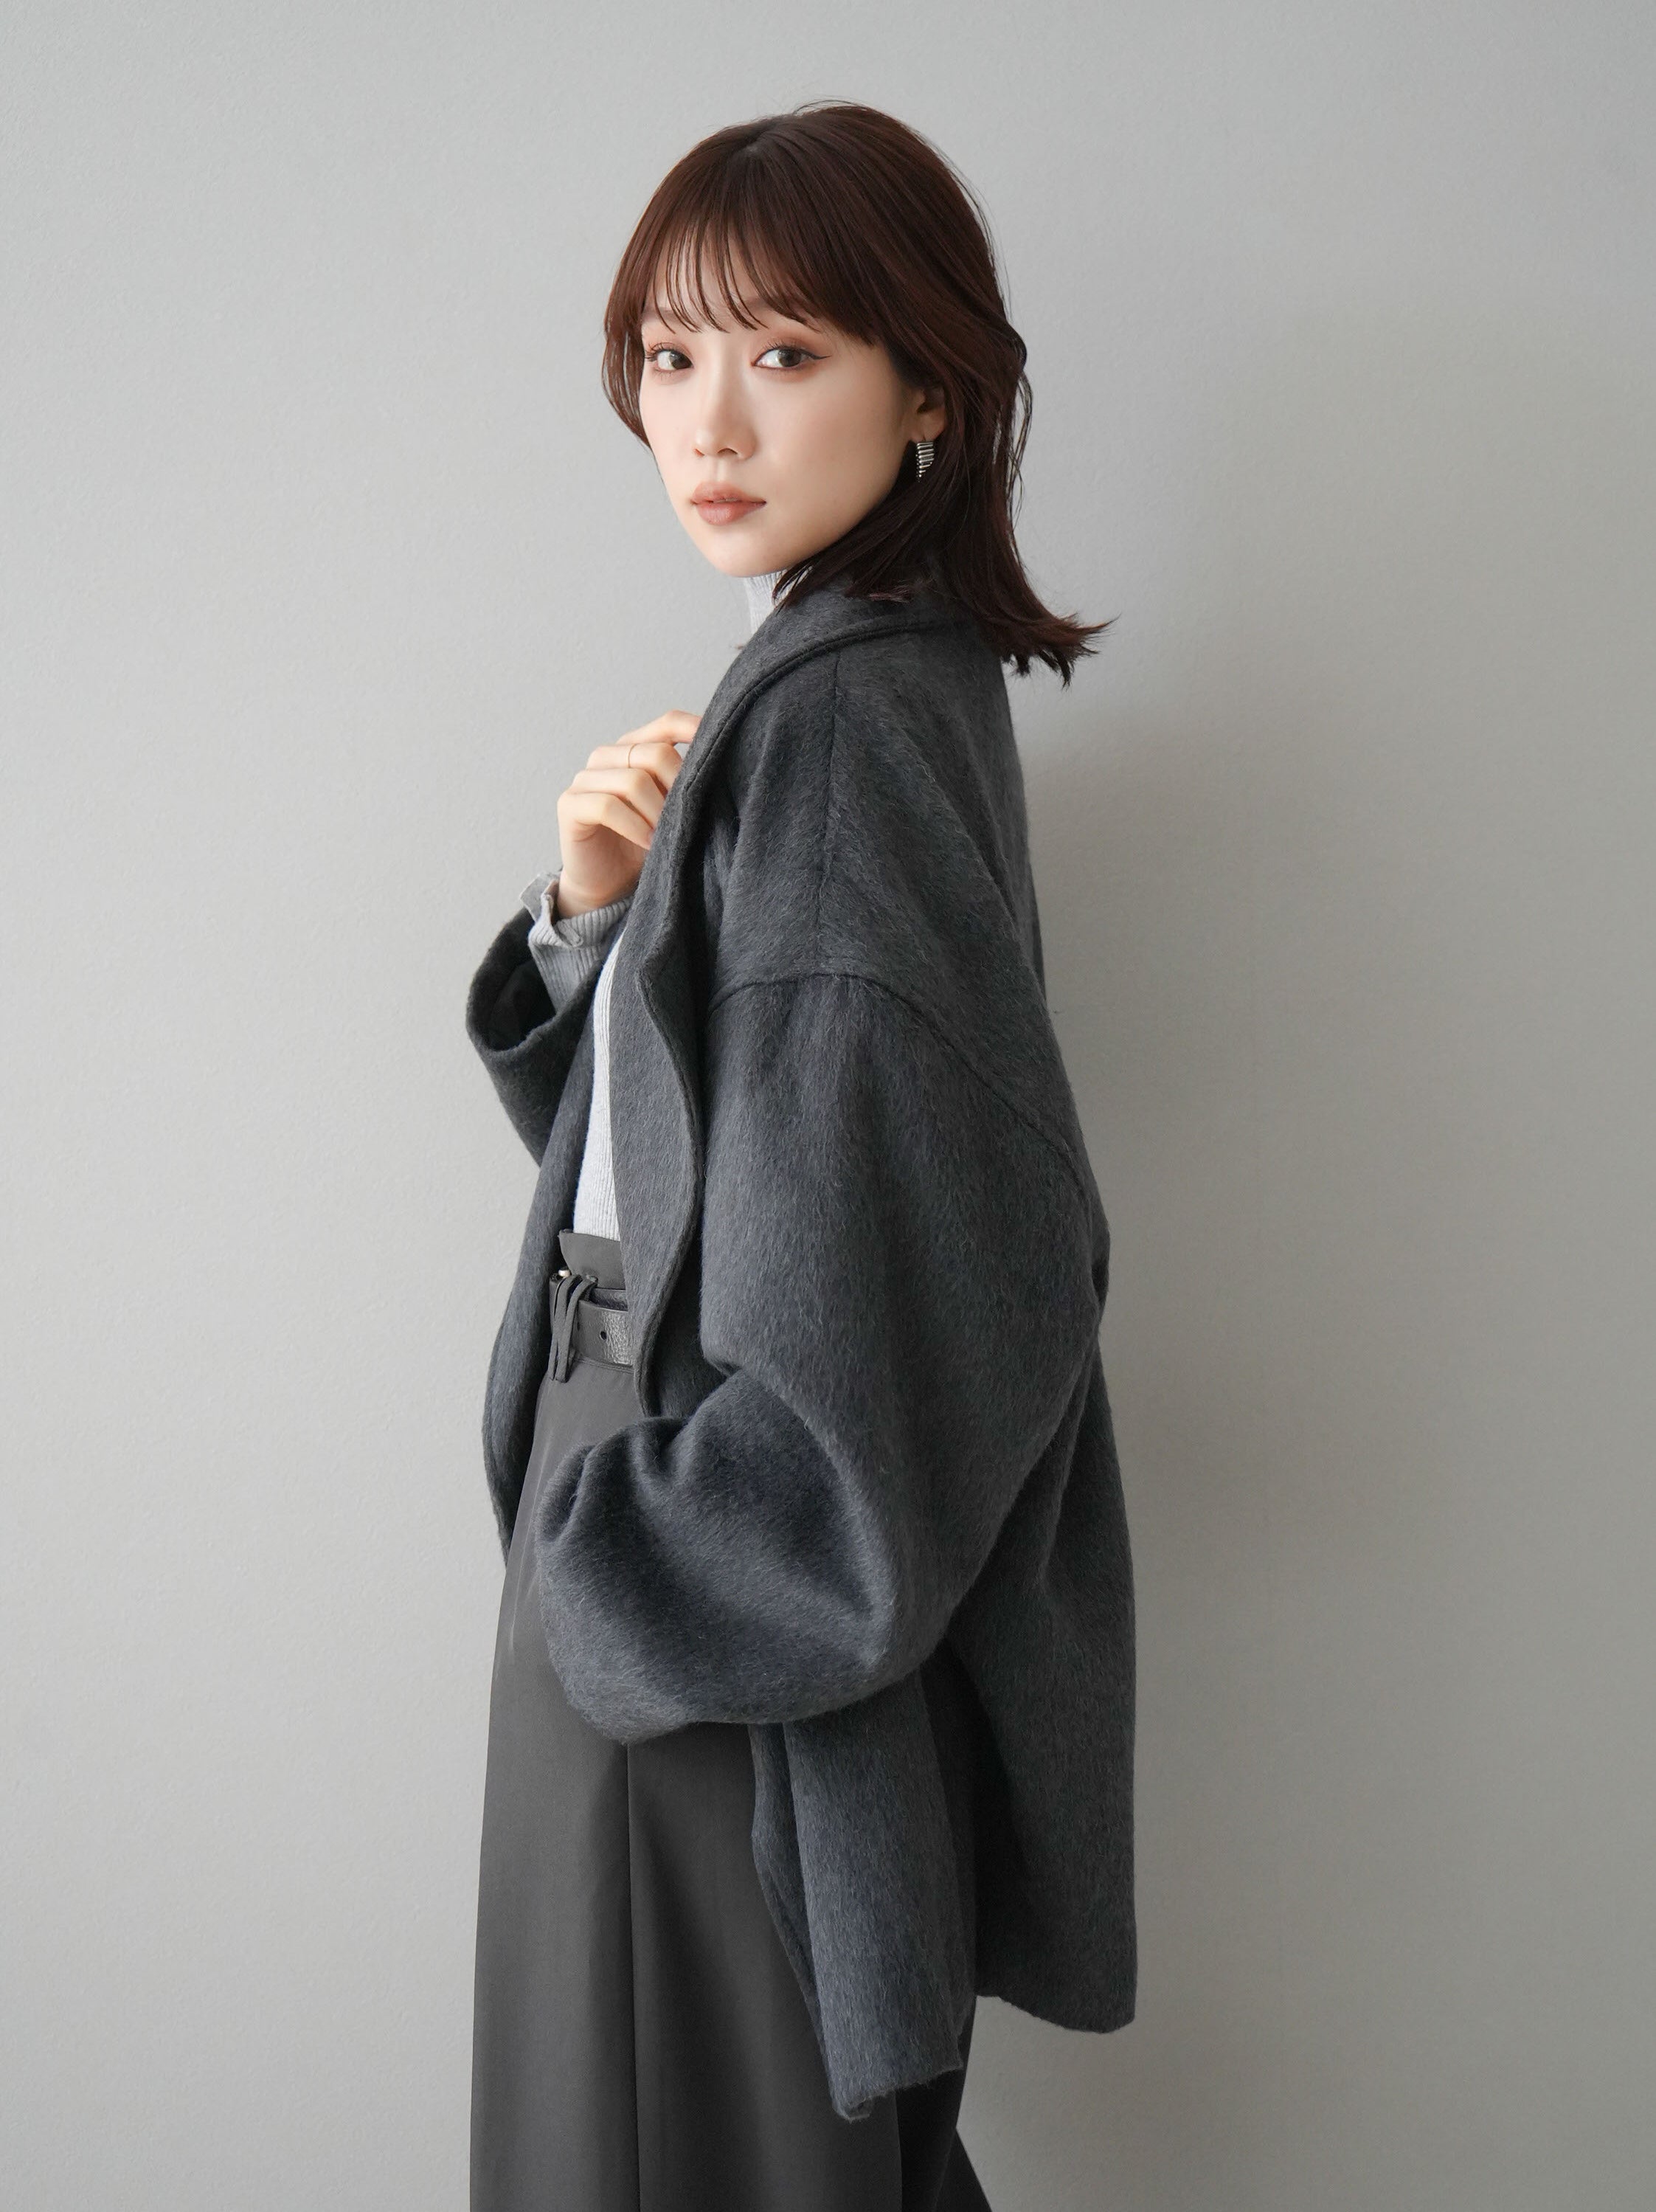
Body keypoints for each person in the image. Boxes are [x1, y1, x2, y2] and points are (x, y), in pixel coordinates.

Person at [465, 100, 1136, 2212]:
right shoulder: (836, 696)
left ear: (930, 388)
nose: (712, 423)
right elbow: (738, 1175)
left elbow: (932, 1294)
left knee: (658, 2159)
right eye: (671, 358)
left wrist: (619, 1562)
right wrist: (598, 929)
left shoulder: (840, 735)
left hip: (700, 1615)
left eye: (784, 352)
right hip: (688, 1571)